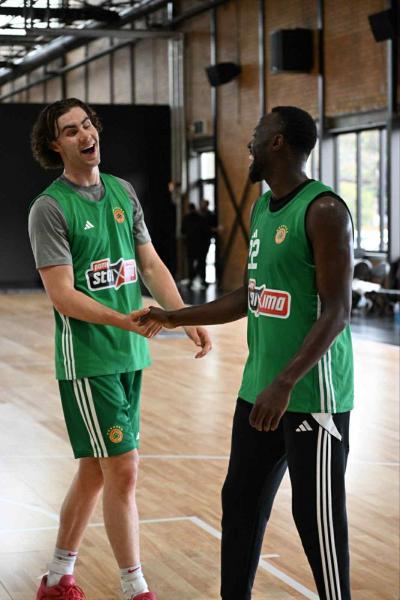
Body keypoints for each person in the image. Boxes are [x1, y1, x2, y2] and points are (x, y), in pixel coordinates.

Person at [141, 106, 354, 599]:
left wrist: (285, 382)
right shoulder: (262, 209)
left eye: (257, 134)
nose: (249, 143)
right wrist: (175, 317)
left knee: (316, 516)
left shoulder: (324, 210)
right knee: (240, 502)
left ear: (277, 142)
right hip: (259, 389)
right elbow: (249, 296)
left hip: (311, 397)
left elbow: (337, 311)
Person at [28, 98, 211, 600]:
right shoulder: (49, 208)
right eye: (71, 130)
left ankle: (58, 578)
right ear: (55, 145)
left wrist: (182, 316)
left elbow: (149, 263)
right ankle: (135, 586)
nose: (86, 134)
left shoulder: (122, 192)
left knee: (95, 470)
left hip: (130, 355)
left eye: (88, 124)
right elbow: (63, 295)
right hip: (89, 359)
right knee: (124, 469)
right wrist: (121, 320)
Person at [181, 202, 207, 287]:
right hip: (200, 244)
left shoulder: (185, 218)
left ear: (188, 209)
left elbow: (183, 231)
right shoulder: (200, 218)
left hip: (190, 244)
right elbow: (204, 231)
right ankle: (202, 279)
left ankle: (191, 279)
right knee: (201, 262)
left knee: (190, 262)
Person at [197, 199, 219, 287]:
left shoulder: (210, 215)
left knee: (203, 259)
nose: (203, 206)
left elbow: (212, 227)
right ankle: (199, 277)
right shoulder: (198, 215)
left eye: (204, 204)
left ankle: (203, 278)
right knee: (200, 260)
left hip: (205, 240)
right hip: (198, 240)